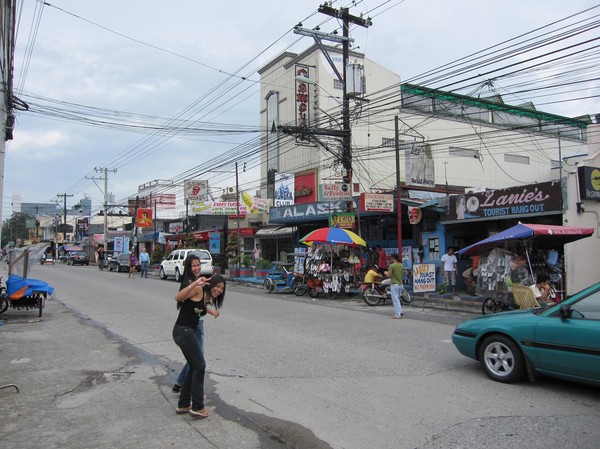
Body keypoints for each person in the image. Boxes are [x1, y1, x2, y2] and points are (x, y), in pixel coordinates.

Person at [172, 258, 225, 419]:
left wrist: (211, 311)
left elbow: (199, 308)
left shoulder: (204, 297)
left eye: (222, 289)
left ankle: (183, 404)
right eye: (217, 286)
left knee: (194, 365)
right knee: (200, 365)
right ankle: (197, 406)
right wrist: (194, 284)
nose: (219, 290)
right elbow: (178, 297)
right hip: (183, 331)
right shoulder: (199, 290)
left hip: (187, 331)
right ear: (211, 284)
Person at [385, 253, 404, 319]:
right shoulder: (401, 265)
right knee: (397, 299)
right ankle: (400, 311)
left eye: (391, 258)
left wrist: (385, 273)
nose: (391, 259)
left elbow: (389, 275)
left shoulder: (392, 266)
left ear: (393, 258)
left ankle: (398, 314)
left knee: (395, 300)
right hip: (400, 284)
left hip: (394, 284)